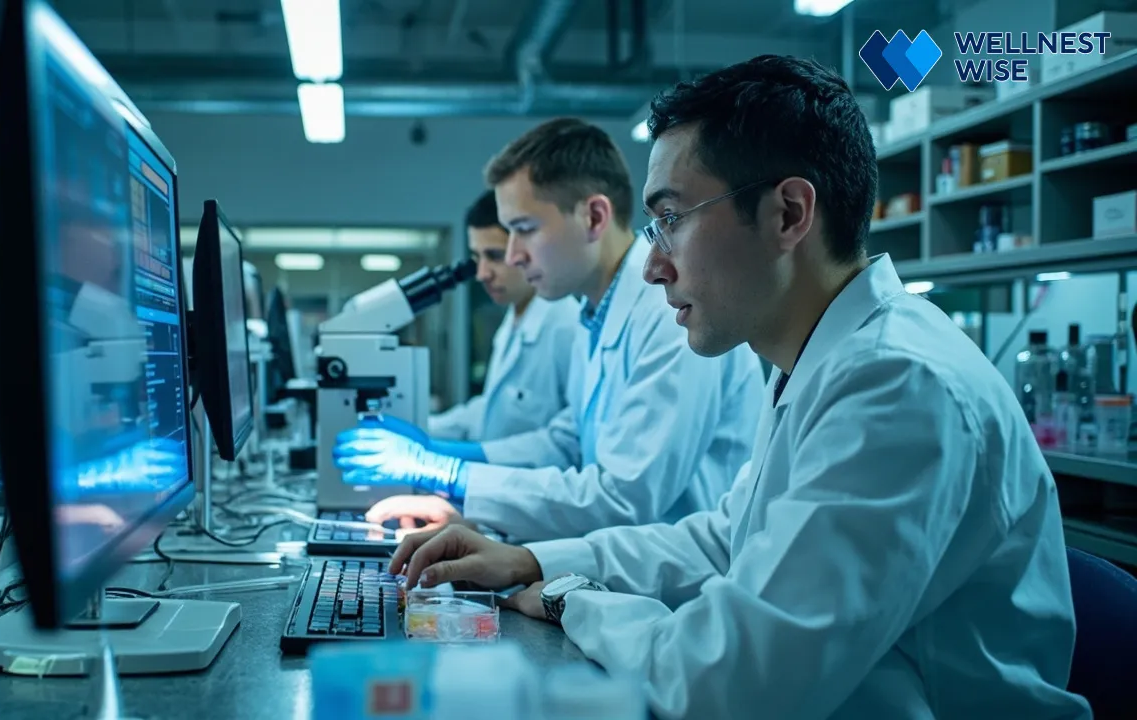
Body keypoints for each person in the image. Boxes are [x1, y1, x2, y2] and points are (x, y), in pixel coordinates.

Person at [386, 56, 1091, 719]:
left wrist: (570, 597)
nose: (653, 265)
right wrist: (534, 560)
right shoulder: (820, 359)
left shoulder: (899, 386)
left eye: (671, 222)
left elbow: (730, 685)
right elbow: (727, 538)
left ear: (788, 214)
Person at [335, 118, 765, 543]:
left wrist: (451, 474)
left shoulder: (669, 311)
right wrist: (440, 454)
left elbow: (625, 495)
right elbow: (568, 441)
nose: (513, 256)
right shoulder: (595, 309)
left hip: (680, 590)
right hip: (615, 567)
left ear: (594, 217)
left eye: (524, 230)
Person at [427, 190, 579, 443]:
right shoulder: (513, 319)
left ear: (524, 249)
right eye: (477, 258)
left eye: (494, 256)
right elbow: (492, 409)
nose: (482, 273)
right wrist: (421, 425)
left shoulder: (566, 326)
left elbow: (570, 440)